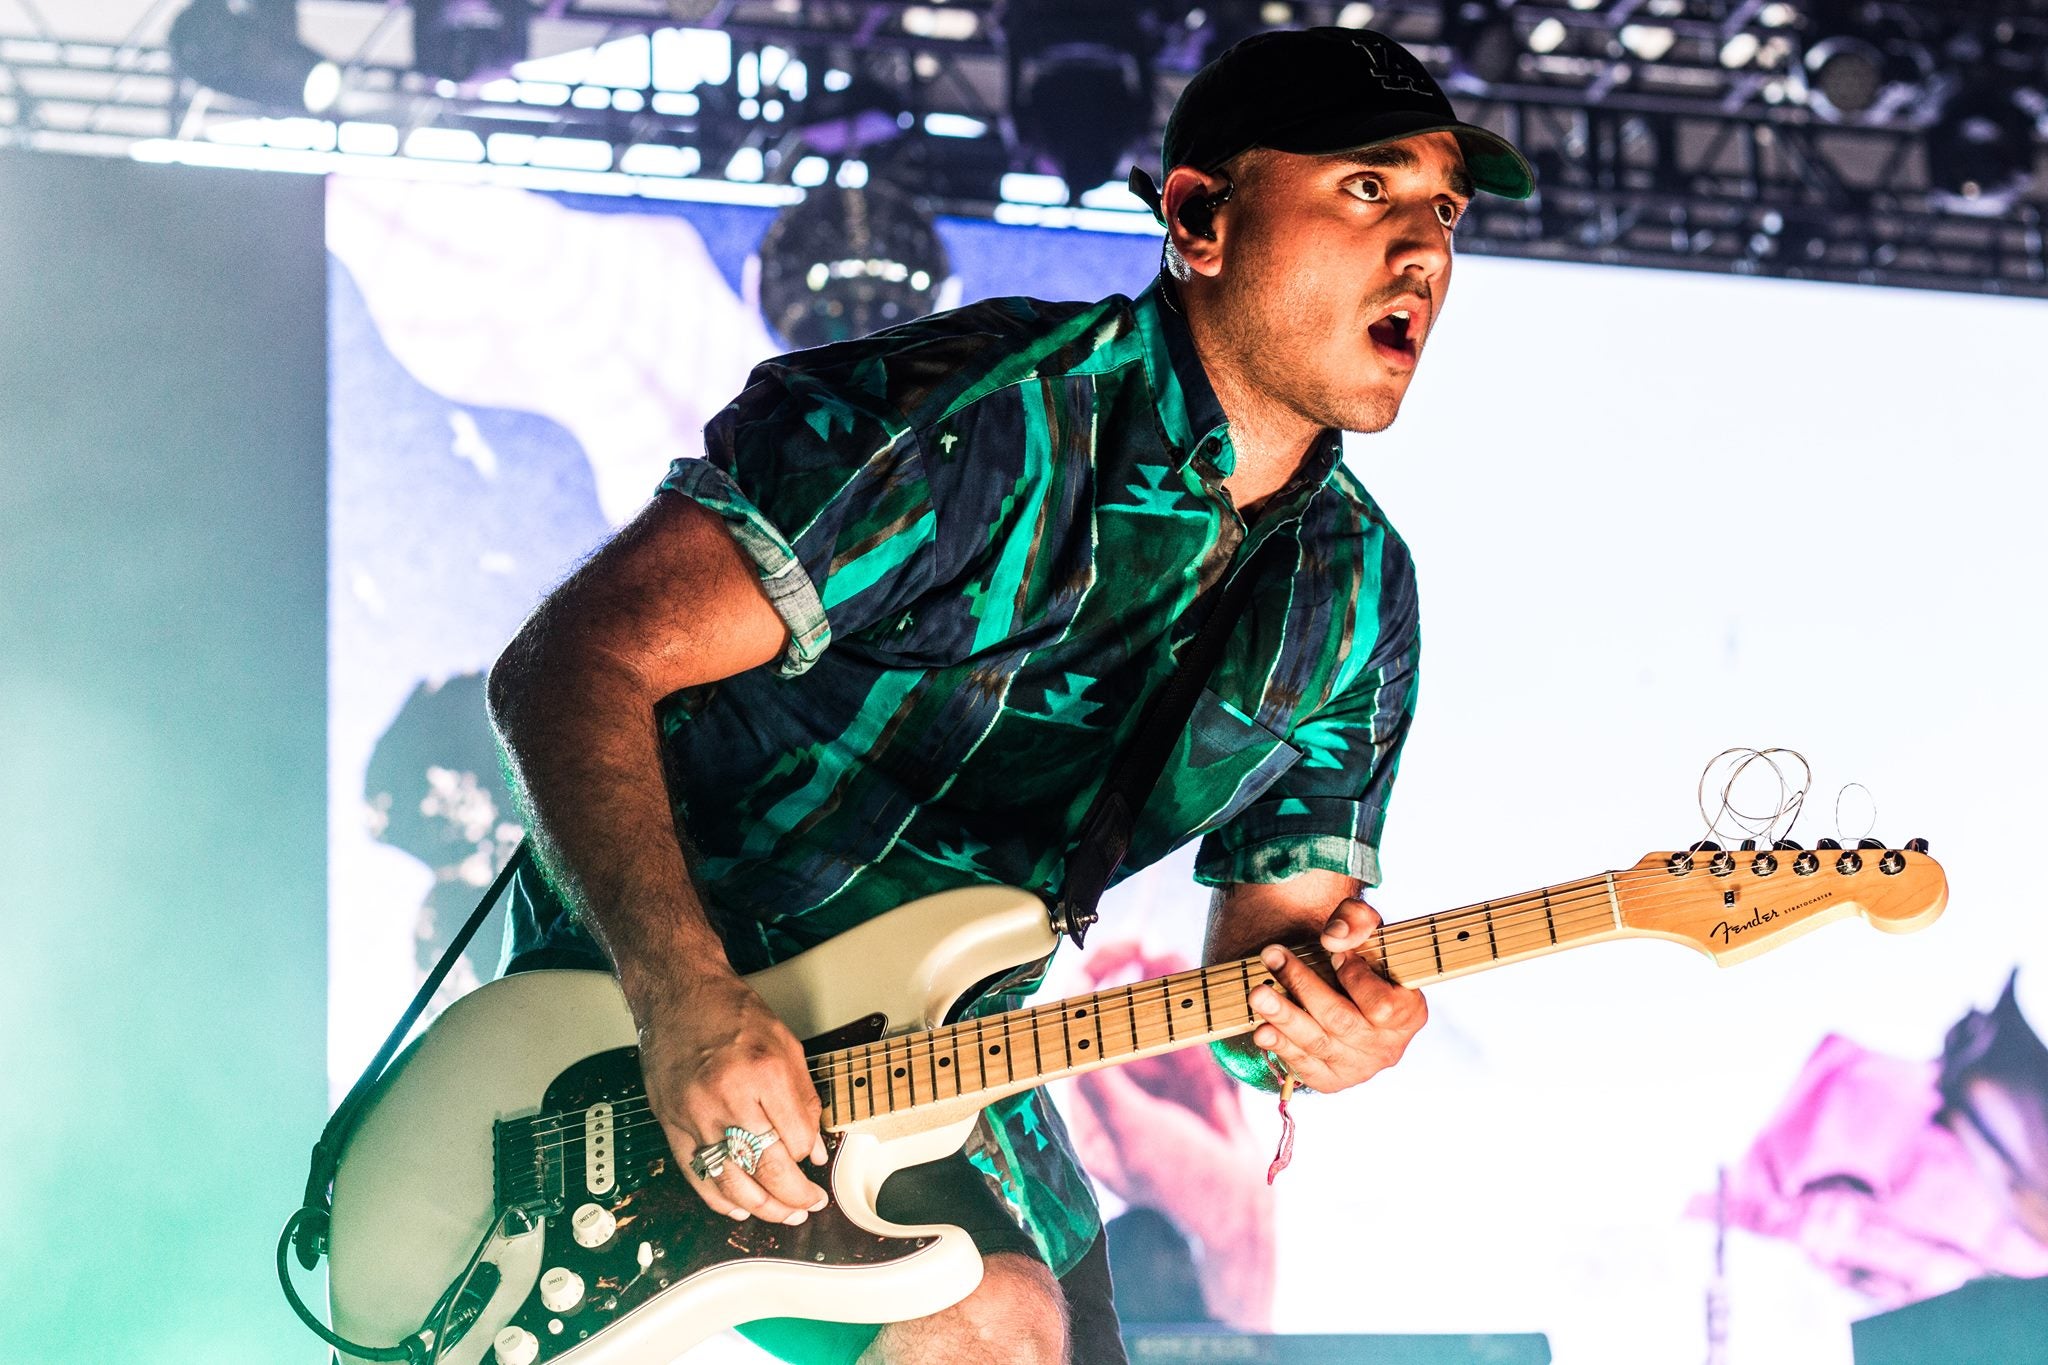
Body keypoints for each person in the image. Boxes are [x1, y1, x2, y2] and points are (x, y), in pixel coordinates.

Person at [486, 25, 1533, 1365]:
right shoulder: (972, 424)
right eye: (1367, 190)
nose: (1426, 252)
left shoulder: (1354, 598)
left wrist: (1321, 1035)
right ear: (1201, 218)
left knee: (1029, 1317)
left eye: (1443, 210)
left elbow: (1265, 976)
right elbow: (573, 665)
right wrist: (687, 1002)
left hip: (948, 1081)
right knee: (988, 1324)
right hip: (643, 1057)